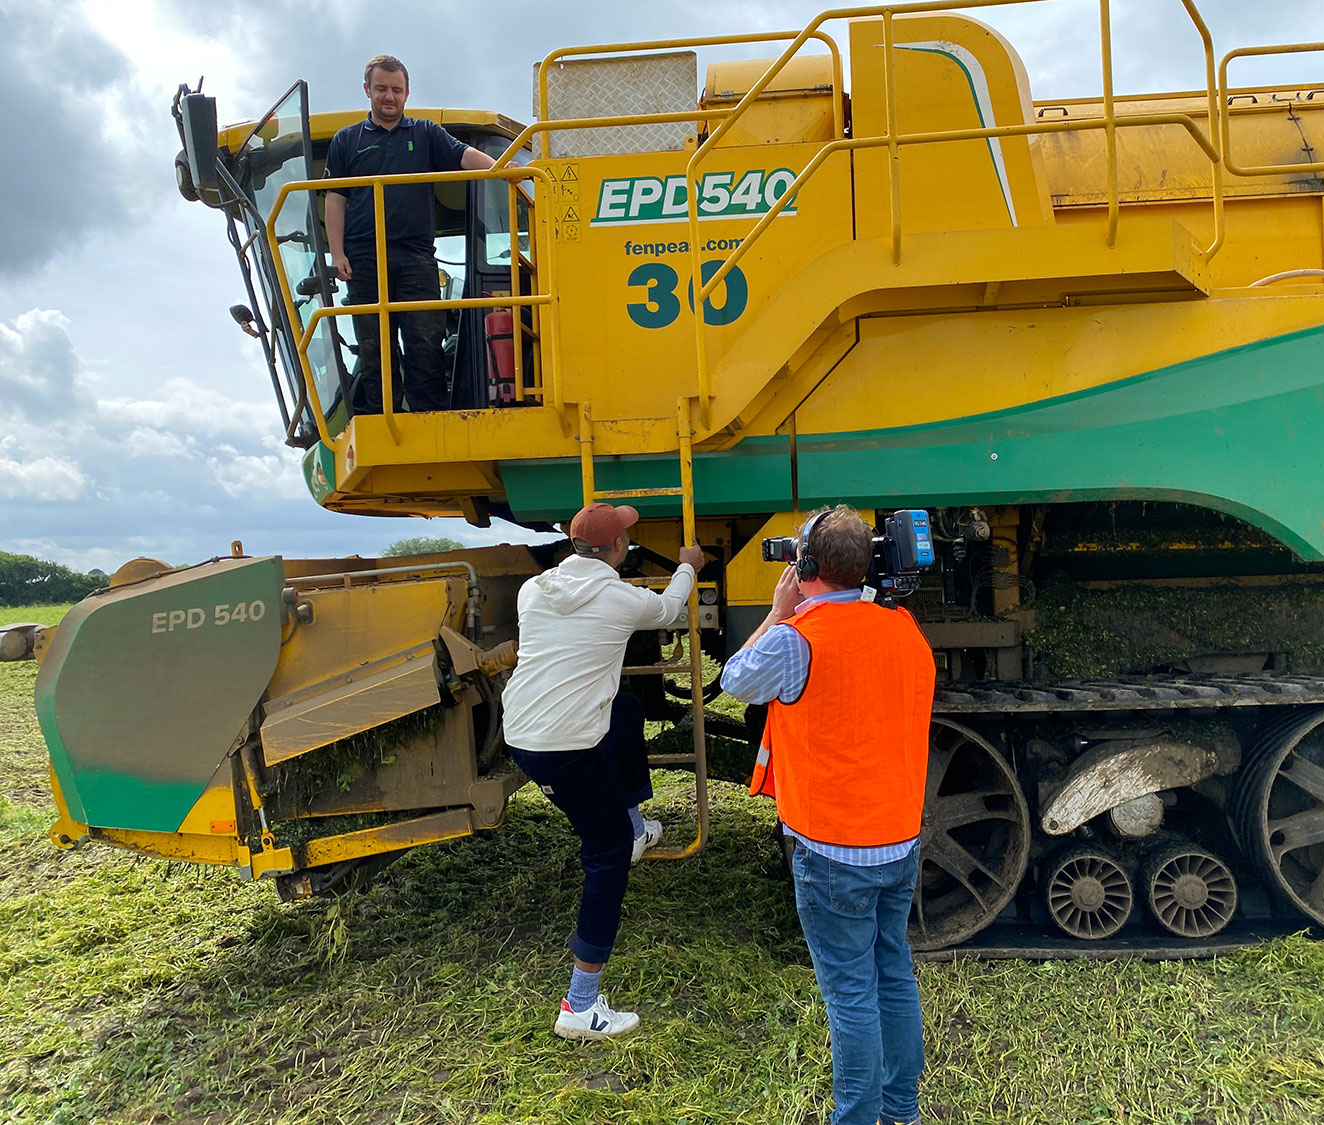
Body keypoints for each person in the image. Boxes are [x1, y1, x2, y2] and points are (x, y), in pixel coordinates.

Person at [721, 505, 936, 1125]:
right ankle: (902, 1111)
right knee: (893, 973)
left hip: (834, 851)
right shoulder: (905, 629)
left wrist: (776, 611)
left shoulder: (797, 639)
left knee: (850, 995)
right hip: (899, 841)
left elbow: (735, 680)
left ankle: (857, 1118)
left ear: (804, 566)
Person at [501, 501, 706, 1040]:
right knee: (607, 856)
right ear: (617, 549)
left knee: (625, 711)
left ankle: (635, 826)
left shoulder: (533, 590)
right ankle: (580, 1006)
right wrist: (688, 564)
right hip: (564, 748)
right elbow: (667, 611)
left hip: (522, 730)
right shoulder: (618, 597)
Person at [322, 55, 496, 414]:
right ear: (367, 89)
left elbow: (463, 156)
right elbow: (335, 201)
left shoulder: (425, 133)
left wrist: (502, 167)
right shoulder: (346, 141)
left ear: (407, 93)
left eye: (397, 90)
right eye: (382, 88)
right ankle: (384, 414)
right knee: (373, 342)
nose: (390, 96)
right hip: (363, 256)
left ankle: (428, 414)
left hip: (415, 254)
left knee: (425, 338)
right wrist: (337, 254)